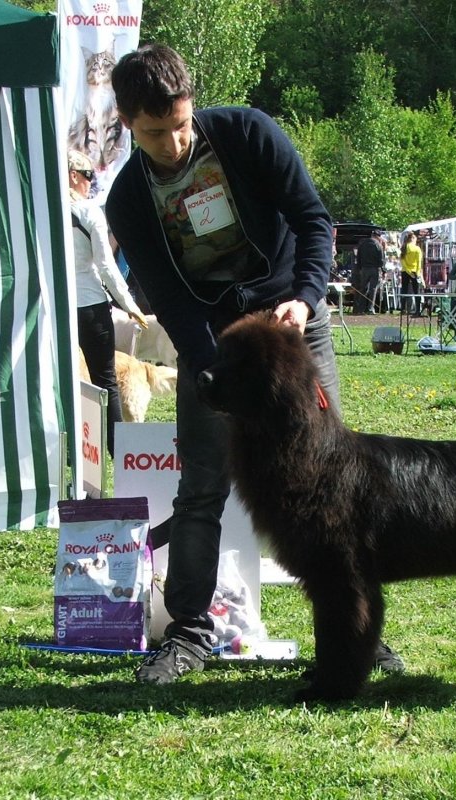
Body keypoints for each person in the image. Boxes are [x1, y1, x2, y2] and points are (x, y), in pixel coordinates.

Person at [105, 44, 403, 684]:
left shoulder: (247, 132)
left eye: (182, 122)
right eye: (156, 132)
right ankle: (187, 632)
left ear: (192, 102)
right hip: (216, 345)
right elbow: (170, 297)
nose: (175, 141)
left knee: (334, 479)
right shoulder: (128, 199)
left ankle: (359, 637)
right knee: (202, 485)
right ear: (128, 121)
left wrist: (306, 295)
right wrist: (219, 373)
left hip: (294, 326)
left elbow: (312, 218)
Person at [68, 149, 148, 458]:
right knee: (105, 381)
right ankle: (122, 455)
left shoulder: (44, 211)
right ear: (74, 176)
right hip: (89, 305)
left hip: (55, 307)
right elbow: (105, 265)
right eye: (89, 175)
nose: (92, 182)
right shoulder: (89, 211)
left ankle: (73, 454)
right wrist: (130, 304)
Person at [352, 228, 385, 314]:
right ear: (378, 236)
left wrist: (359, 268)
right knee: (373, 289)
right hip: (374, 269)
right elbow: (381, 259)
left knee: (363, 288)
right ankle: (370, 308)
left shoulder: (362, 244)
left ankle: (361, 308)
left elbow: (358, 257)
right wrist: (383, 270)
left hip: (364, 269)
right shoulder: (378, 245)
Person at [400, 231, 423, 316]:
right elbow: (419, 262)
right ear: (413, 238)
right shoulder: (417, 248)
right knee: (416, 291)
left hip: (405, 271)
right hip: (414, 271)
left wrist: (408, 271)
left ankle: (402, 309)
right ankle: (418, 310)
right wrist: (417, 272)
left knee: (404, 290)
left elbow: (402, 261)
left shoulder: (404, 247)